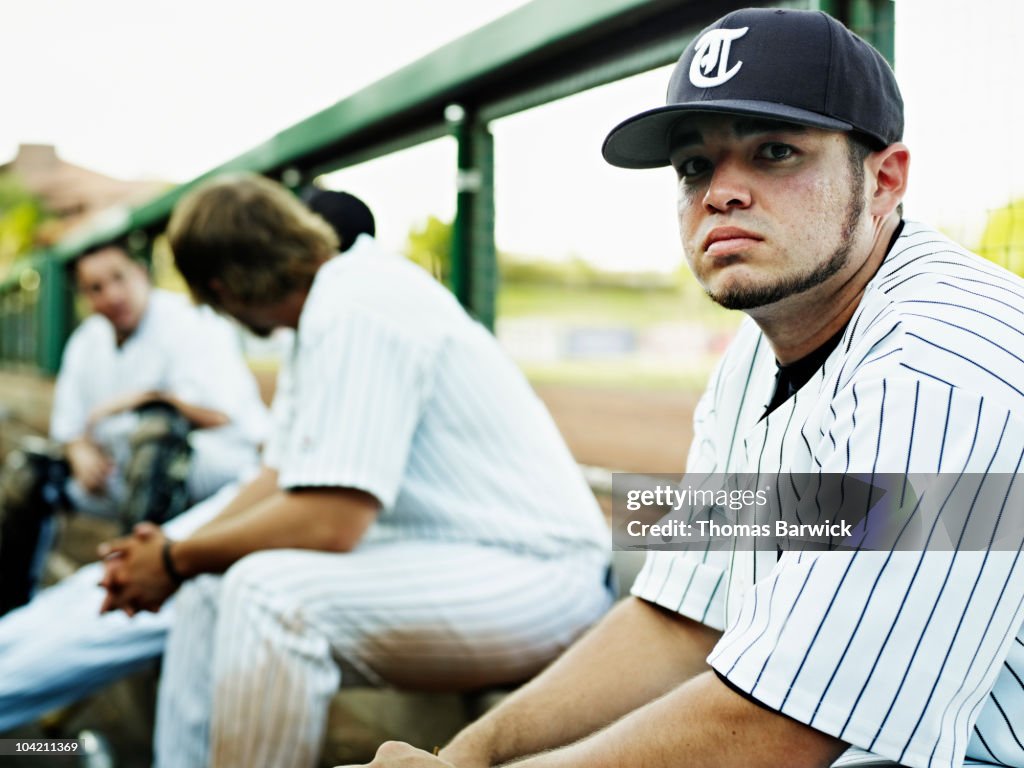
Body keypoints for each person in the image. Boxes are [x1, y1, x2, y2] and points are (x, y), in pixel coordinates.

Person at [346, 8, 1024, 768]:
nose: (720, 193)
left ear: (885, 180)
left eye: (775, 152)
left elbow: (780, 728)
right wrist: (465, 754)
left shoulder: (943, 369)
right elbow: (679, 617)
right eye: (695, 166)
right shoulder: (757, 344)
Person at [97, 174, 613, 768]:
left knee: (267, 596)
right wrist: (175, 551)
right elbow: (279, 475)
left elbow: (330, 521)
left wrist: (170, 560)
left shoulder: (358, 302)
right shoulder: (322, 312)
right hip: (452, 557)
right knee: (210, 584)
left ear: (219, 288)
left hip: (539, 574)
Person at [0, 241, 270, 730]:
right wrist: (80, 451)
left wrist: (143, 397)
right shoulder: (89, 341)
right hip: (125, 477)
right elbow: (68, 430)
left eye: (118, 278)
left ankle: (128, 592)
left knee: (156, 432)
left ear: (142, 273)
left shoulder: (188, 322)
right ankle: (15, 615)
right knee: (33, 470)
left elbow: (223, 415)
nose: (111, 294)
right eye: (94, 288)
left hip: (214, 472)